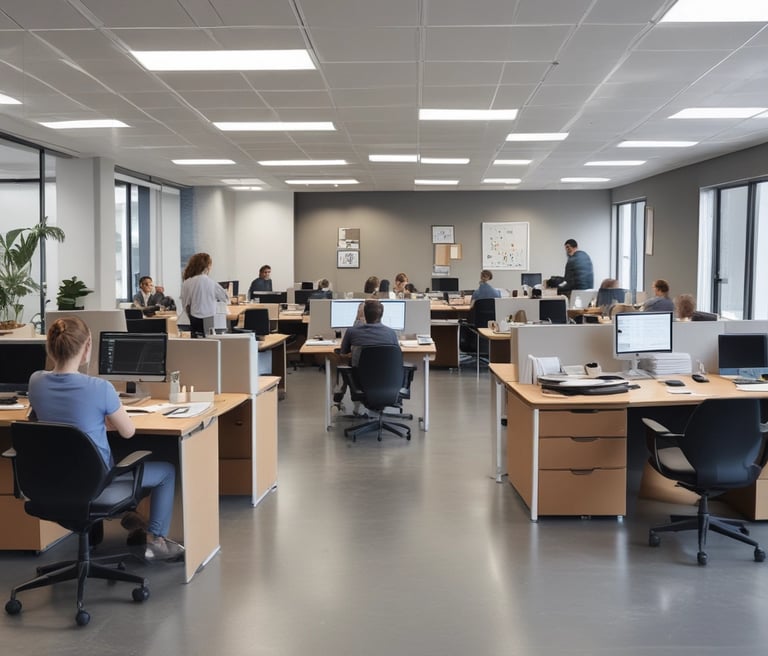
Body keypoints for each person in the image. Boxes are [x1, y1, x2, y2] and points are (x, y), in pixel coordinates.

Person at [27, 316, 182, 561]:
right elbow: (128, 432)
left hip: (52, 484)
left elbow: (39, 418)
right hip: (96, 485)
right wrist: (101, 420)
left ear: (50, 346)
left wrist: (92, 422)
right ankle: (156, 541)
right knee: (166, 471)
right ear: (87, 346)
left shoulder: (35, 382)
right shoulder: (101, 388)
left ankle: (131, 519)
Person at [179, 252, 229, 337]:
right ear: (207, 266)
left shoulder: (186, 283)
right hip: (210, 321)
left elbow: (185, 305)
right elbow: (225, 298)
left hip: (192, 322)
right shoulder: (211, 283)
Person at [339, 299, 399, 366]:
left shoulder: (351, 331)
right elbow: (396, 354)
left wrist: (353, 354)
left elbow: (342, 355)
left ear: (365, 314)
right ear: (382, 315)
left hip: (359, 372)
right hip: (386, 372)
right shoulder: (391, 333)